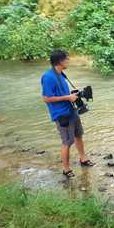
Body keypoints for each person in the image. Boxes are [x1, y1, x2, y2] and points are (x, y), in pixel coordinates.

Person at [41, 50, 95, 178]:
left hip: (71, 110)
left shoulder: (61, 74)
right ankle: (66, 169)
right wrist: (67, 97)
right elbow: (46, 98)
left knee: (78, 135)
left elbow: (63, 94)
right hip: (61, 114)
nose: (69, 61)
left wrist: (75, 95)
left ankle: (83, 159)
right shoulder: (48, 77)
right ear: (60, 61)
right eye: (67, 59)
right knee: (67, 142)